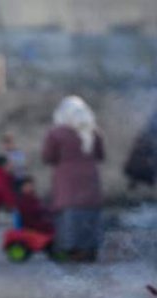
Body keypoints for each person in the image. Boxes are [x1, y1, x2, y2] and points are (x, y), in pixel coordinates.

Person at [42, 96, 105, 262]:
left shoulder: (57, 133)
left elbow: (48, 157)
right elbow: (100, 155)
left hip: (67, 181)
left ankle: (71, 249)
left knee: (69, 213)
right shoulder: (93, 131)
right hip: (91, 179)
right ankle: (90, 248)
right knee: (90, 213)